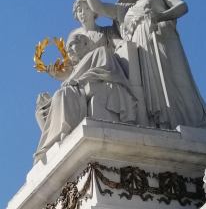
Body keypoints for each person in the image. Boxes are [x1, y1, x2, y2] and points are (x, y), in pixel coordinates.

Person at [82, 0, 206, 132]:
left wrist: (160, 16)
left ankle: (189, 122)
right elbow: (98, 7)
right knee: (152, 92)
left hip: (162, 41)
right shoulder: (128, 9)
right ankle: (162, 124)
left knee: (176, 82)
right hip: (142, 52)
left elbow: (182, 6)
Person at [34, 30, 138, 160]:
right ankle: (50, 146)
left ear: (85, 43)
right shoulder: (74, 70)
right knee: (41, 112)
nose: (69, 50)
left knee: (63, 94)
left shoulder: (99, 52)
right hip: (77, 92)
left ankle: (62, 135)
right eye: (67, 48)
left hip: (90, 89)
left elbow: (107, 70)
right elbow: (71, 81)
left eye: (72, 44)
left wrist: (79, 81)